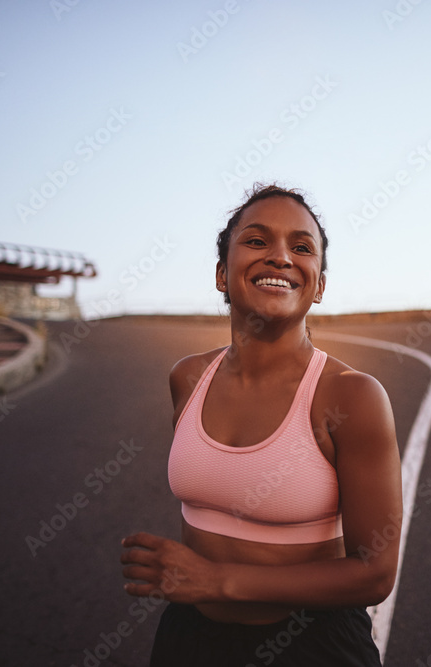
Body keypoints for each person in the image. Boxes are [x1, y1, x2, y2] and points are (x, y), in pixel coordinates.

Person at [121, 184, 403, 665]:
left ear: (318, 285)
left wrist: (218, 581)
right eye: (256, 241)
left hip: (314, 646)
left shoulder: (352, 396)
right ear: (221, 275)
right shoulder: (188, 377)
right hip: (190, 639)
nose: (279, 257)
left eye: (301, 247)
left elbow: (374, 574)